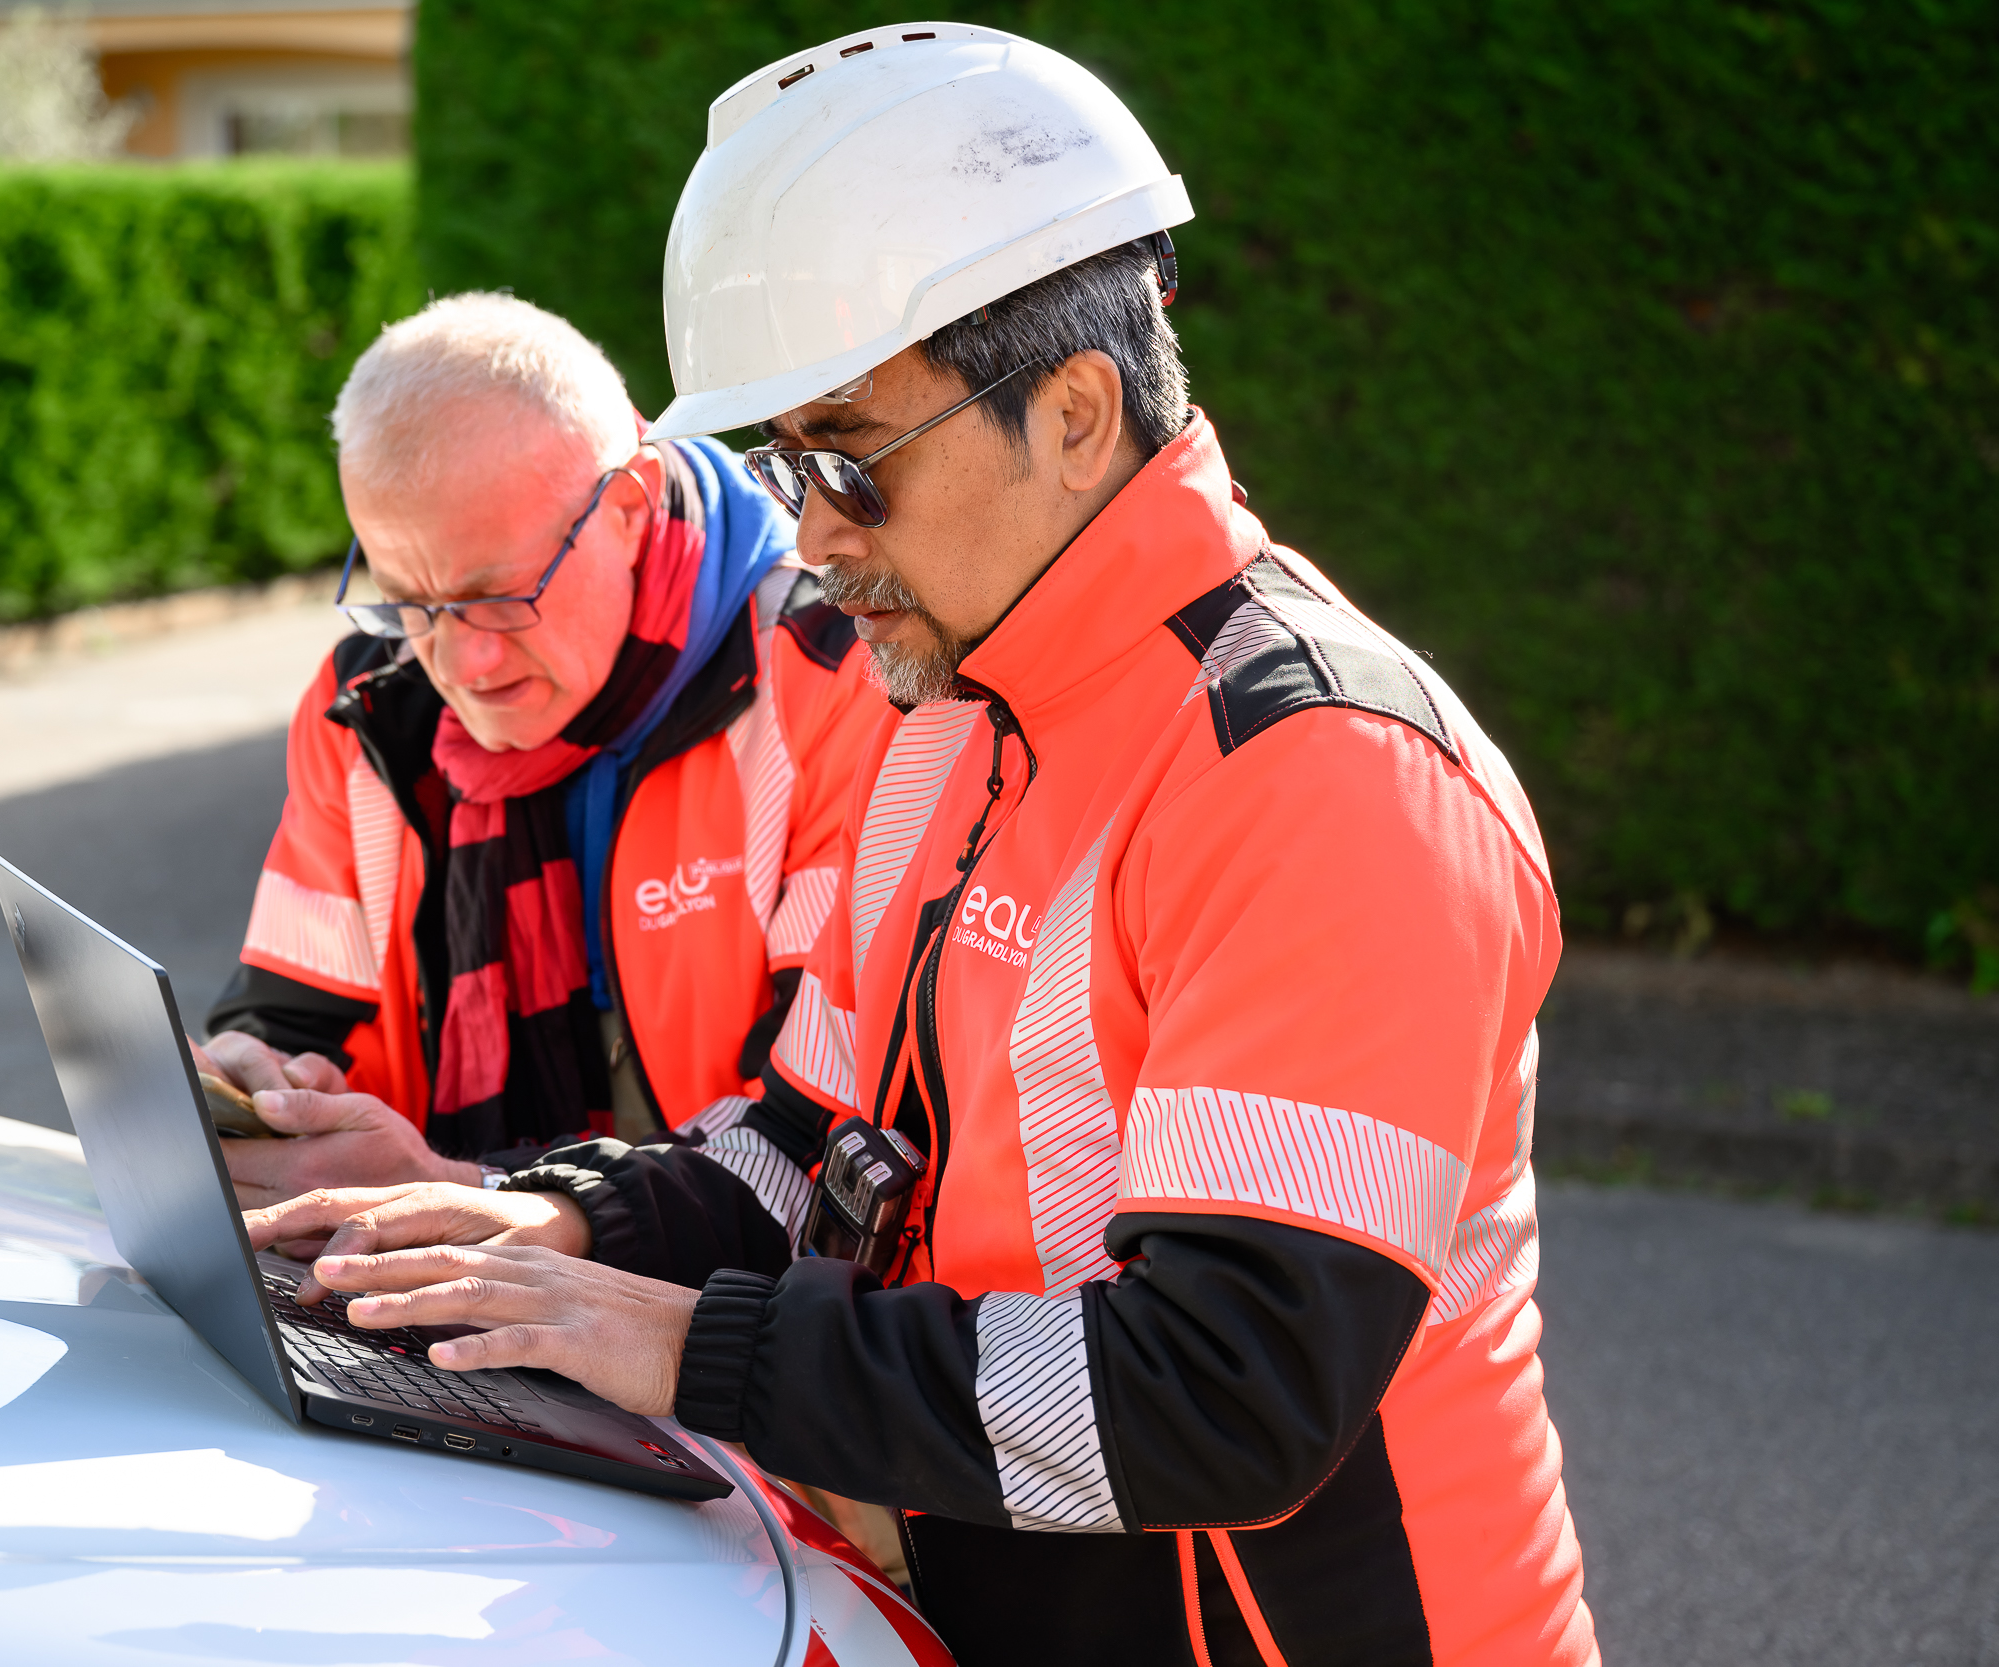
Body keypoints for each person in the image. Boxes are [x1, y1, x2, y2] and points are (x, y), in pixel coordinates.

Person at [245, 25, 1594, 1665]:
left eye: (846, 463)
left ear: (1078, 413)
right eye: (781, 465)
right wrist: (558, 1222)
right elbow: (819, 1142)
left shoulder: (1324, 773)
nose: (807, 535)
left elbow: (1227, 1394)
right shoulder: (949, 710)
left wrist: (684, 1343)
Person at [199, 293, 885, 1205]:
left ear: (630, 509)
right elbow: (298, 1011)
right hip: (429, 1281)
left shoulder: (838, 675)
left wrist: (468, 1191)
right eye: (413, 600)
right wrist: (270, 1080)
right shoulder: (362, 703)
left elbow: (820, 1135)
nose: (464, 661)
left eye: (503, 595)